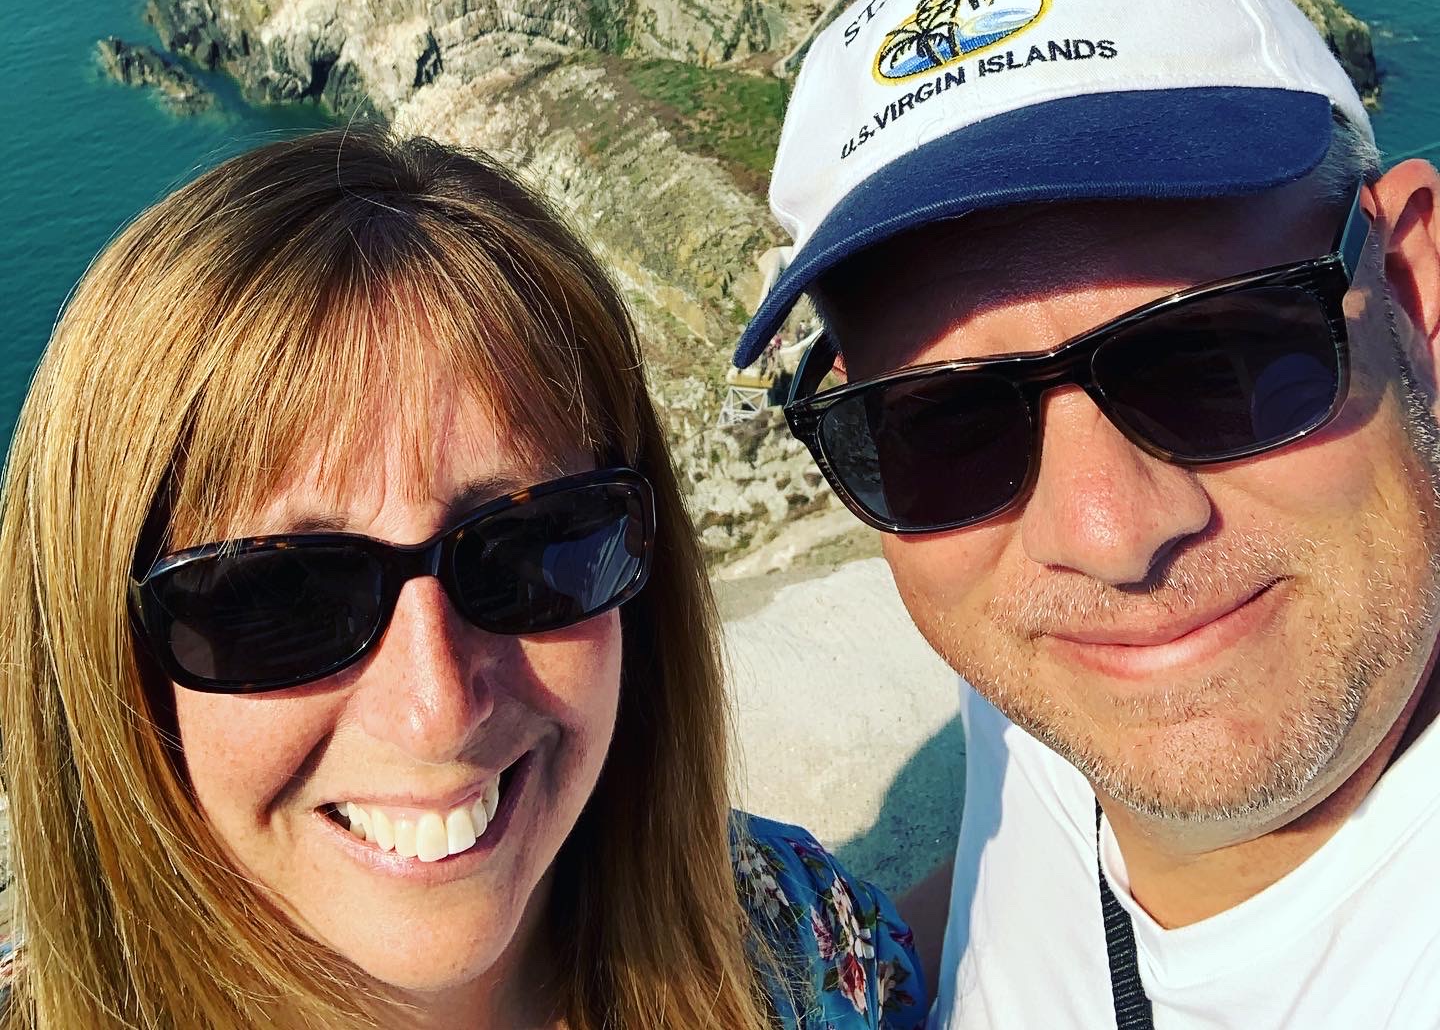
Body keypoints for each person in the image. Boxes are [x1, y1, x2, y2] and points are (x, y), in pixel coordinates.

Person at [0, 129, 925, 1030]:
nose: (437, 709)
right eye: (280, 602)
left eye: (530, 548)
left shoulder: (788, 942)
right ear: (102, 657)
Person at [734, 0, 1440, 1027]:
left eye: (1213, 362)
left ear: (1413, 292)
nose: (1105, 536)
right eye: (945, 427)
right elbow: (1032, 881)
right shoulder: (1046, 661)